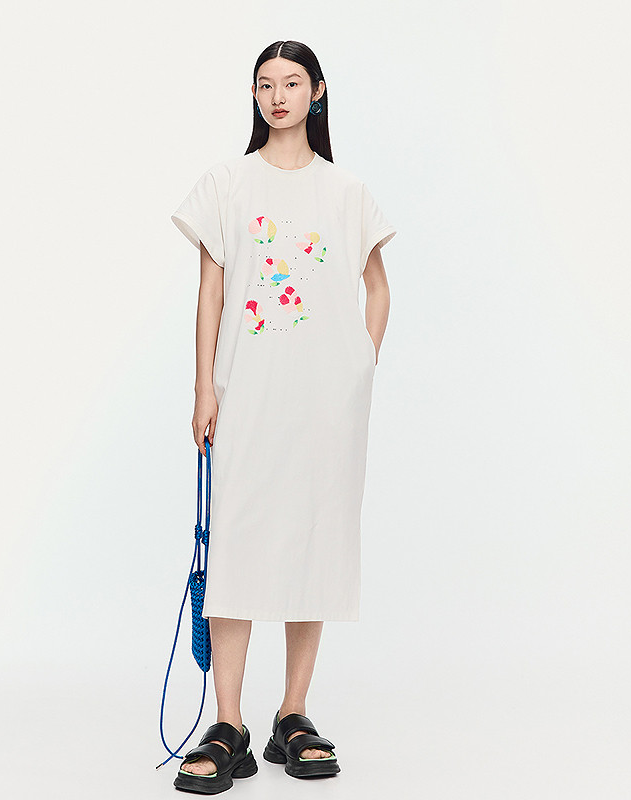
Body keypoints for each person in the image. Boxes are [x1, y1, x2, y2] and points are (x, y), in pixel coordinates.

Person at [170, 40, 396, 793]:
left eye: (292, 83)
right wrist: (205, 388)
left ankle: (292, 713)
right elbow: (210, 291)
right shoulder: (227, 184)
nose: (277, 96)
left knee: (313, 542)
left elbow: (377, 286)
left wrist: (360, 365)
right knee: (235, 547)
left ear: (317, 93)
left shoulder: (347, 192)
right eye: (264, 84)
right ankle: (228, 722)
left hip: (327, 405)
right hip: (247, 393)